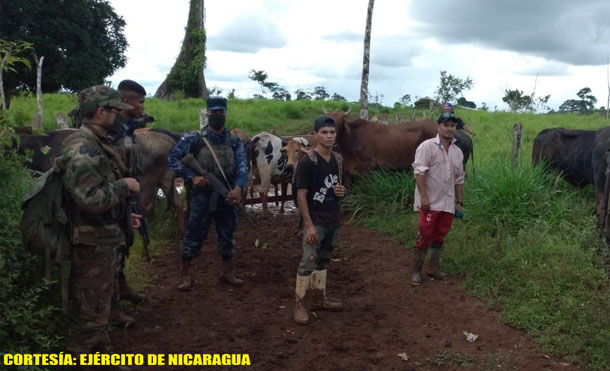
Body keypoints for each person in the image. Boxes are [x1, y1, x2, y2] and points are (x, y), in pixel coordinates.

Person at [56, 85, 141, 353]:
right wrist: (125, 186)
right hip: (91, 241)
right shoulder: (84, 148)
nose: (118, 116)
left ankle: (100, 344)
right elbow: (90, 199)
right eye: (115, 111)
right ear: (101, 112)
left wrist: (125, 214)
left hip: (103, 235)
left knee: (100, 301)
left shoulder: (95, 143)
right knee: (89, 311)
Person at [168, 97, 248, 291]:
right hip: (202, 195)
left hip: (226, 193)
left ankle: (227, 272)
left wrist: (238, 188)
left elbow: (243, 166)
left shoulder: (234, 140)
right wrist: (191, 177)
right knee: (194, 231)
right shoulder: (194, 138)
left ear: (226, 114)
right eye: (214, 113)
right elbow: (172, 158)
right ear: (208, 114)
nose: (218, 116)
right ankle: (185, 275)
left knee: (228, 231)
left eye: (221, 112)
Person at [292, 115, 346, 325]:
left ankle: (319, 298)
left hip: (332, 218)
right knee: (308, 261)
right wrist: (308, 224)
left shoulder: (338, 160)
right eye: (324, 132)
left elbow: (340, 187)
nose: (329, 136)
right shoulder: (308, 161)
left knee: (324, 259)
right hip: (315, 221)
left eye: (332, 132)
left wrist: (342, 191)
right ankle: (299, 305)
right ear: (315, 135)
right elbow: (301, 194)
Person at [411, 111, 465, 286]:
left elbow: (459, 179)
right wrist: (424, 198)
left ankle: (433, 268)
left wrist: (459, 202)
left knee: (440, 235)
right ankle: (417, 271)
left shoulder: (457, 152)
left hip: (448, 202)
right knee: (424, 233)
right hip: (430, 201)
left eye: (453, 126)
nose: (450, 129)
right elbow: (419, 172)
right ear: (438, 127)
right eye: (446, 125)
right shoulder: (427, 146)